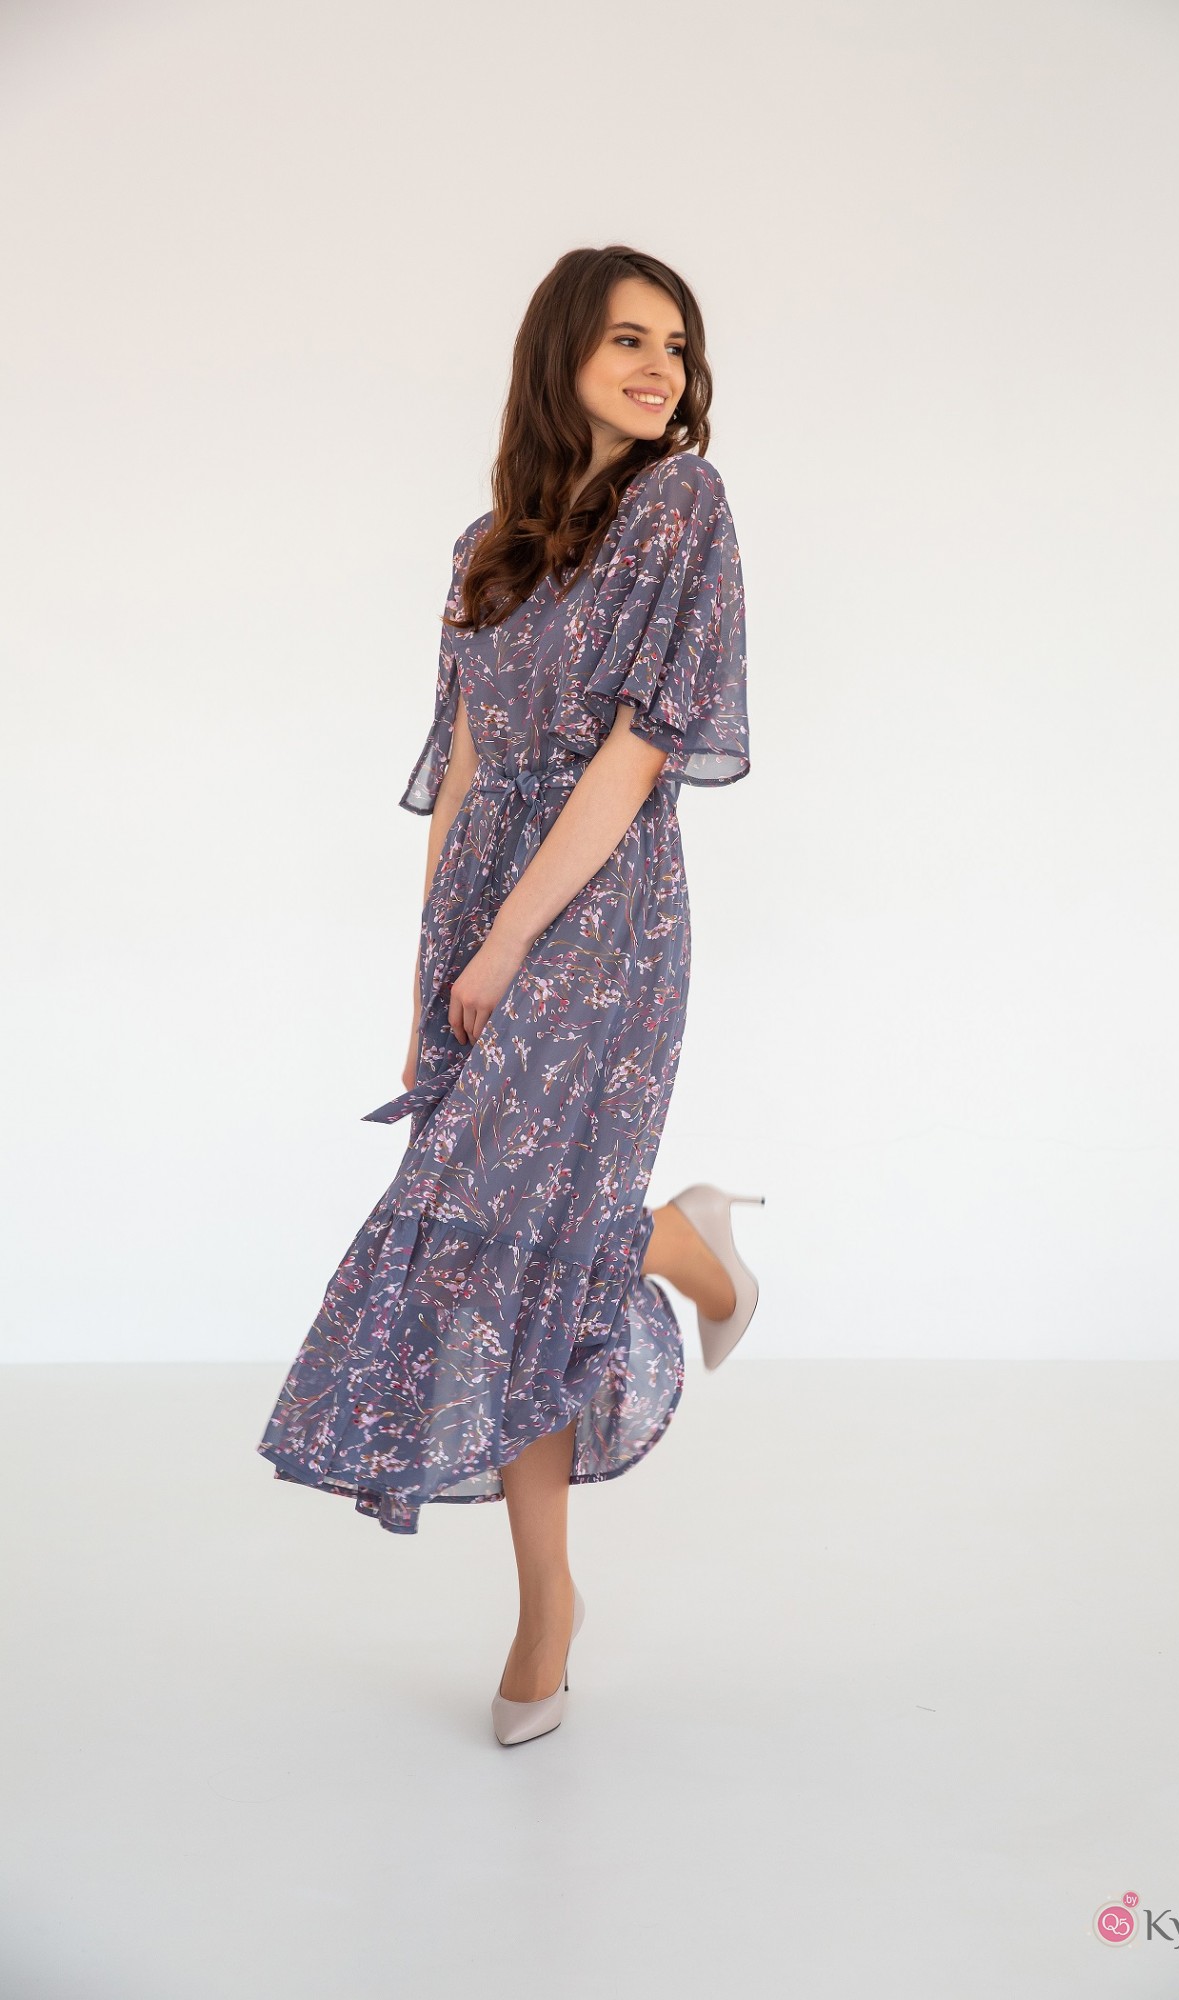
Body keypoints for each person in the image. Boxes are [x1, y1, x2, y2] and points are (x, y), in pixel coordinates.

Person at [256, 243, 763, 1746]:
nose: (661, 368)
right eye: (628, 340)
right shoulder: (487, 546)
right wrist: (434, 974)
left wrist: (504, 949)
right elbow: (467, 771)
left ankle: (684, 1247)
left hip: (602, 912)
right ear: (561, 357)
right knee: (491, 1256)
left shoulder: (683, 505)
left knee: (512, 1232)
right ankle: (549, 1600)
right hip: (484, 910)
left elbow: (637, 756)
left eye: (676, 345)